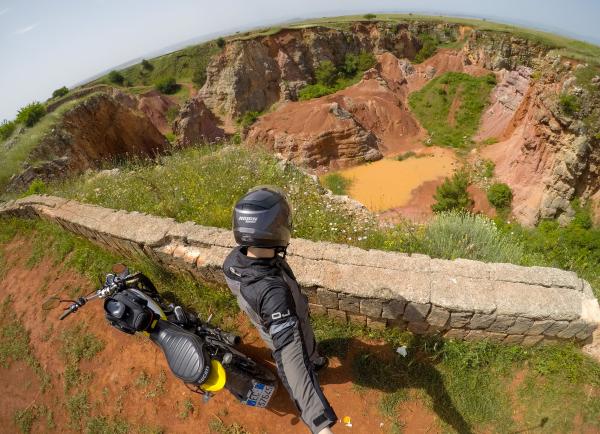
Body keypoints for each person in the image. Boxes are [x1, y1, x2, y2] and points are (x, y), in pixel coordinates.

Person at [223, 186, 337, 434]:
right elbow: (291, 357)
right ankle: (315, 362)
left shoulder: (235, 260)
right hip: (288, 325)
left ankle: (314, 359)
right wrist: (321, 425)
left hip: (265, 325)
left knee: (295, 346)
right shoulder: (274, 294)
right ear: (276, 230)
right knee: (303, 351)